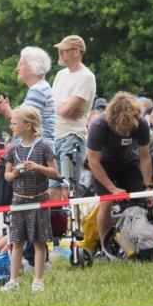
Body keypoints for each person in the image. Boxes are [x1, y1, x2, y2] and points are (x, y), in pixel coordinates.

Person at [0, 106, 57, 292]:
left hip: (38, 201)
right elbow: (7, 176)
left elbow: (55, 172)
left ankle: (38, 280)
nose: (12, 126)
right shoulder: (13, 150)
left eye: (15, 123)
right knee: (16, 241)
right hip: (18, 202)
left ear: (28, 126)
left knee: (39, 242)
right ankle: (13, 280)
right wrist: (15, 172)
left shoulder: (44, 147)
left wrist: (38, 168)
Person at [86, 92, 153, 243]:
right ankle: (105, 246)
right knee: (106, 203)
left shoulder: (140, 123)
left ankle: (138, 242)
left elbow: (145, 156)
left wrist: (148, 186)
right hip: (103, 164)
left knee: (138, 200)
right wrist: (113, 188)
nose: (129, 128)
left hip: (126, 162)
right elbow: (93, 161)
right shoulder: (99, 125)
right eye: (126, 125)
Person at [50, 35, 96, 203]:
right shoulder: (60, 75)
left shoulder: (86, 77)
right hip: (56, 137)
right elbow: (56, 107)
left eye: (64, 50)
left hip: (72, 138)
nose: (60, 53)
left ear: (76, 52)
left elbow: (65, 110)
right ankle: (56, 228)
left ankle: (74, 228)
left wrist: (62, 106)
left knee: (68, 190)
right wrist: (63, 106)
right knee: (53, 190)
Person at [0, 47, 56, 145]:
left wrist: (7, 110)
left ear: (34, 66)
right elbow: (26, 122)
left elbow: (25, 122)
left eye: (21, 64)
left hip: (36, 152)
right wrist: (7, 110)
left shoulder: (37, 91)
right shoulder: (41, 88)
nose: (17, 68)